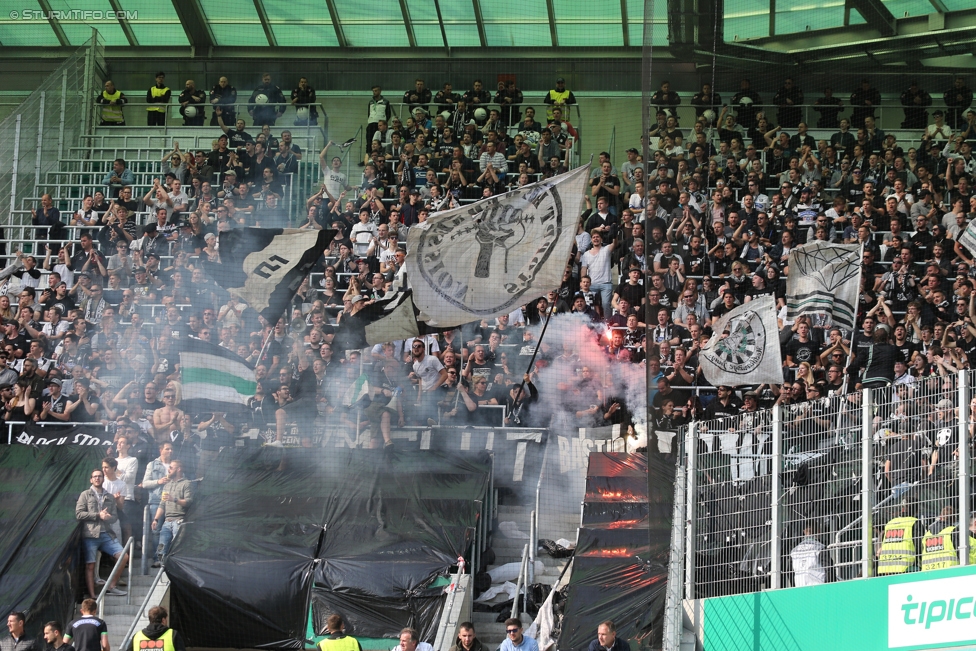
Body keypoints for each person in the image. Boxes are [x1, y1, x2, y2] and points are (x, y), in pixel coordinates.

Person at [75, 469, 128, 599]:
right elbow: (79, 514)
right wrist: (99, 515)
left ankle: (111, 586)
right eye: (95, 476)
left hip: (106, 534)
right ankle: (93, 596)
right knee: (90, 565)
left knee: (123, 556)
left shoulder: (109, 496)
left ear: (103, 479)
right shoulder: (85, 494)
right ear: (91, 479)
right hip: (90, 535)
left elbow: (115, 518)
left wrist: (108, 517)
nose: (97, 478)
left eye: (100, 476)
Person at [151, 459, 192, 567]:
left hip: (180, 520)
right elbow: (162, 504)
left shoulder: (186, 483)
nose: (168, 470)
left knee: (177, 546)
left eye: (171, 467)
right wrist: (155, 519)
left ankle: (177, 566)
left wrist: (174, 499)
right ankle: (160, 563)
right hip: (167, 521)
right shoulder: (167, 485)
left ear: (179, 469)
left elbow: (189, 502)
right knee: (161, 545)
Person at [877, 501, 925, 575]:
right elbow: (919, 545)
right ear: (916, 510)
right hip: (906, 568)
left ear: (902, 509)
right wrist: (922, 563)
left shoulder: (890, 523)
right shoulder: (914, 522)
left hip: (886, 568)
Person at [789, 522, 831, 586]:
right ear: (819, 532)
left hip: (800, 587)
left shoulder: (794, 550)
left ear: (804, 532)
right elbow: (828, 568)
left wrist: (794, 586)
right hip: (818, 587)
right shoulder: (820, 547)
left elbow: (789, 571)